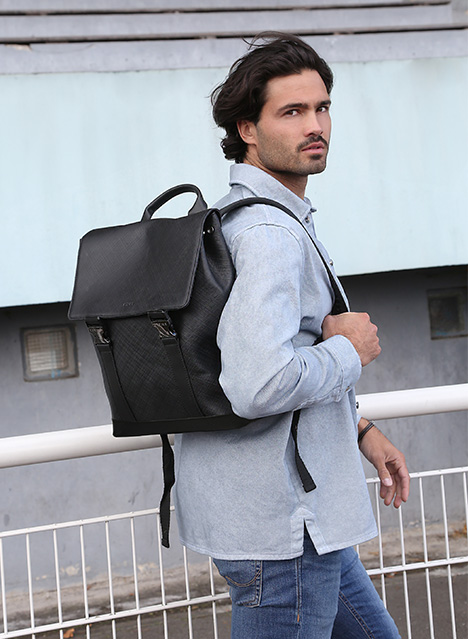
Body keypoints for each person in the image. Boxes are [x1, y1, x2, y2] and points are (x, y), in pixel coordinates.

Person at [174, 32, 410, 638]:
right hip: (284, 533)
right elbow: (258, 383)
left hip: (297, 519)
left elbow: (265, 351)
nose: (315, 126)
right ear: (247, 129)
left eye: (322, 107)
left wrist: (360, 428)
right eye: (292, 111)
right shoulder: (270, 235)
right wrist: (349, 350)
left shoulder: (237, 218)